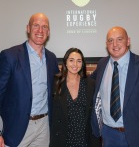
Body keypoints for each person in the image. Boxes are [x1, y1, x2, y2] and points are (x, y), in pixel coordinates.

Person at [0, 13, 59, 147]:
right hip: (16, 129)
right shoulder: (10, 56)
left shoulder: (51, 58)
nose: (40, 31)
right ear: (28, 28)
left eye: (44, 27)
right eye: (36, 25)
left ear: (48, 32)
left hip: (44, 127)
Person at [91, 26, 139, 147]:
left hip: (137, 136)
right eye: (110, 40)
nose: (115, 44)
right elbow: (87, 83)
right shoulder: (102, 64)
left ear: (128, 41)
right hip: (108, 134)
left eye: (119, 39)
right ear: (106, 44)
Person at [50, 48, 101, 147]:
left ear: (82, 64)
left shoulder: (90, 84)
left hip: (86, 139)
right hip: (63, 138)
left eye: (79, 61)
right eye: (71, 60)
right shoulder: (56, 83)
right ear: (65, 62)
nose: (75, 64)